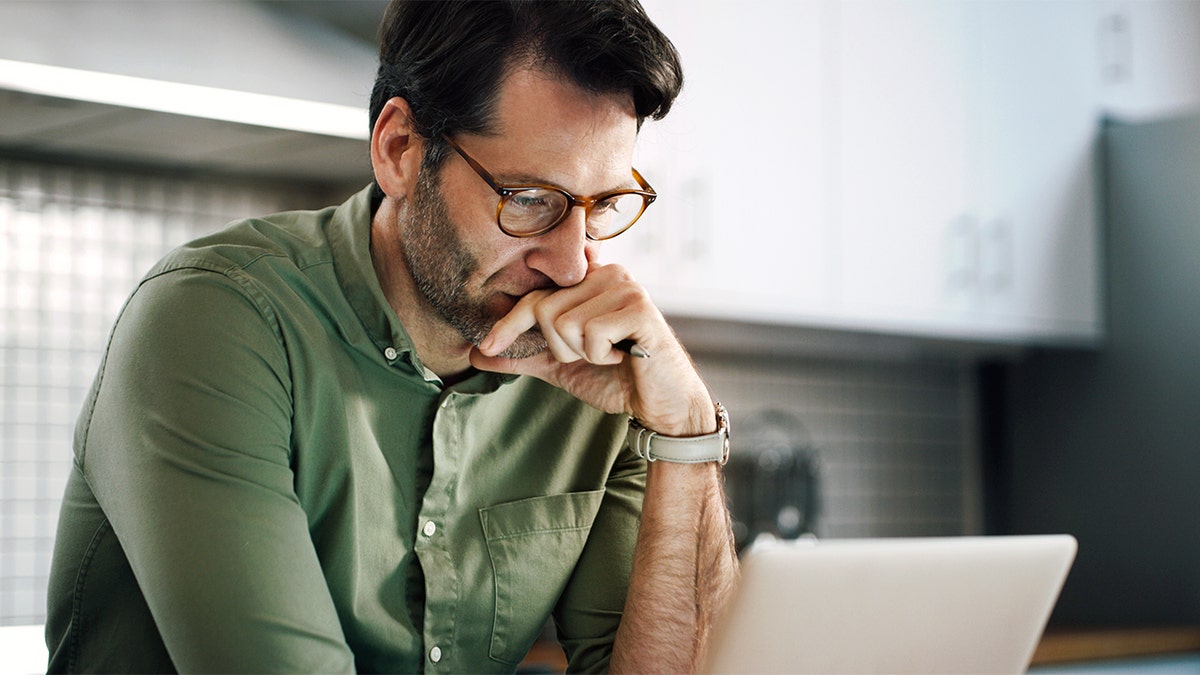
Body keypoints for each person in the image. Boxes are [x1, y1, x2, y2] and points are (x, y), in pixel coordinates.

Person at [45, 1, 738, 672]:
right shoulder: (216, 318)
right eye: (529, 200)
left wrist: (686, 430)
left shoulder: (595, 369)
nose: (572, 264)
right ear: (399, 148)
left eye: (604, 204)